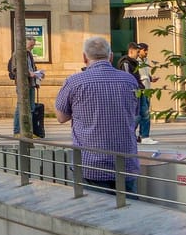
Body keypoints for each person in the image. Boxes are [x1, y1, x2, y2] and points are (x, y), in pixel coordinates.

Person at [54, 34, 142, 195]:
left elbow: (61, 117)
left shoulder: (74, 82)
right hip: (125, 163)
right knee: (130, 214)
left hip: (90, 164)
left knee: (93, 214)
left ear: (84, 58)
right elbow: (135, 112)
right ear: (110, 56)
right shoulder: (129, 80)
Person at [8, 44, 46, 138]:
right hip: (23, 84)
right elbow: (15, 69)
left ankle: (29, 130)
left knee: (31, 108)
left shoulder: (29, 54)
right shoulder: (18, 54)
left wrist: (38, 75)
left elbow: (33, 68)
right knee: (20, 107)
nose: (33, 47)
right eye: (31, 45)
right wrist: (29, 73)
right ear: (26, 43)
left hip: (31, 84)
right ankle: (17, 131)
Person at [118, 42, 152, 143]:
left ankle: (141, 136)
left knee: (143, 113)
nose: (138, 54)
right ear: (131, 51)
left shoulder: (134, 62)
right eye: (137, 52)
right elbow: (127, 77)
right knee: (138, 114)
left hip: (140, 90)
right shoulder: (126, 63)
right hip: (134, 91)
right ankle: (132, 135)